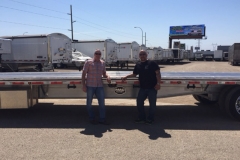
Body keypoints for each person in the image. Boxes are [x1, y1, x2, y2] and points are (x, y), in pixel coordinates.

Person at [122, 50, 161, 125]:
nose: (142, 56)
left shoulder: (152, 63)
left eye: (144, 54)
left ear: (146, 55)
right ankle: (142, 118)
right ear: (139, 56)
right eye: (141, 54)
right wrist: (126, 76)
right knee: (139, 103)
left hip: (152, 88)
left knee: (152, 104)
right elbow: (134, 74)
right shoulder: (138, 64)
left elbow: (158, 73)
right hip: (142, 88)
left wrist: (158, 83)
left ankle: (150, 119)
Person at [82, 49, 111, 125]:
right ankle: (92, 118)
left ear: (100, 55)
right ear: (94, 54)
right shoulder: (88, 62)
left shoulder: (102, 63)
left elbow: (104, 73)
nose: (98, 55)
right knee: (89, 104)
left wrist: (108, 77)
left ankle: (102, 119)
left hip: (99, 86)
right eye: (96, 53)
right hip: (90, 85)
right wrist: (83, 85)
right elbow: (83, 74)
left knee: (102, 104)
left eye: (99, 53)